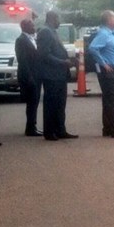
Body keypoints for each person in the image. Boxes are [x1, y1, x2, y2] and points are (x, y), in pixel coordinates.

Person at [35, 11, 78, 141]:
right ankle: (49, 131)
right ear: (53, 18)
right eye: (58, 18)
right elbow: (44, 54)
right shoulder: (45, 32)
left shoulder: (52, 31)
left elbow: (56, 51)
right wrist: (63, 62)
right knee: (51, 104)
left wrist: (69, 59)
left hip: (59, 75)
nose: (59, 21)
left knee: (60, 104)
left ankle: (60, 129)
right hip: (51, 75)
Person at [88, 10, 114, 139]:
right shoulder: (104, 34)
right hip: (109, 72)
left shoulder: (111, 34)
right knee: (112, 101)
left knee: (108, 101)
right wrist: (104, 63)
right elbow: (93, 48)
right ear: (109, 20)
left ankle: (107, 128)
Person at [14, 18, 42, 136]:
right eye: (32, 25)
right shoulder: (21, 40)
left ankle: (32, 125)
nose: (34, 27)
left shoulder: (32, 38)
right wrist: (29, 77)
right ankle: (30, 128)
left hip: (36, 74)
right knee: (31, 102)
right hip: (29, 76)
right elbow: (23, 60)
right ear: (24, 27)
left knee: (34, 102)